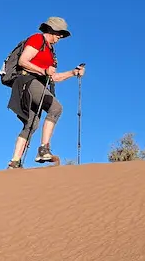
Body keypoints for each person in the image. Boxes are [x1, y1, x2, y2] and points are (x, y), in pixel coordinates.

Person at [6, 17, 85, 168]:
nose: (60, 37)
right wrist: (43, 70)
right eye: (59, 33)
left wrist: (74, 72)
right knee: (56, 108)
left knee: (32, 123)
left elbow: (53, 77)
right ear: (52, 30)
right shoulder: (37, 39)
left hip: (35, 84)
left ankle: (14, 162)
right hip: (27, 81)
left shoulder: (50, 52)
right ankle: (43, 149)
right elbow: (23, 61)